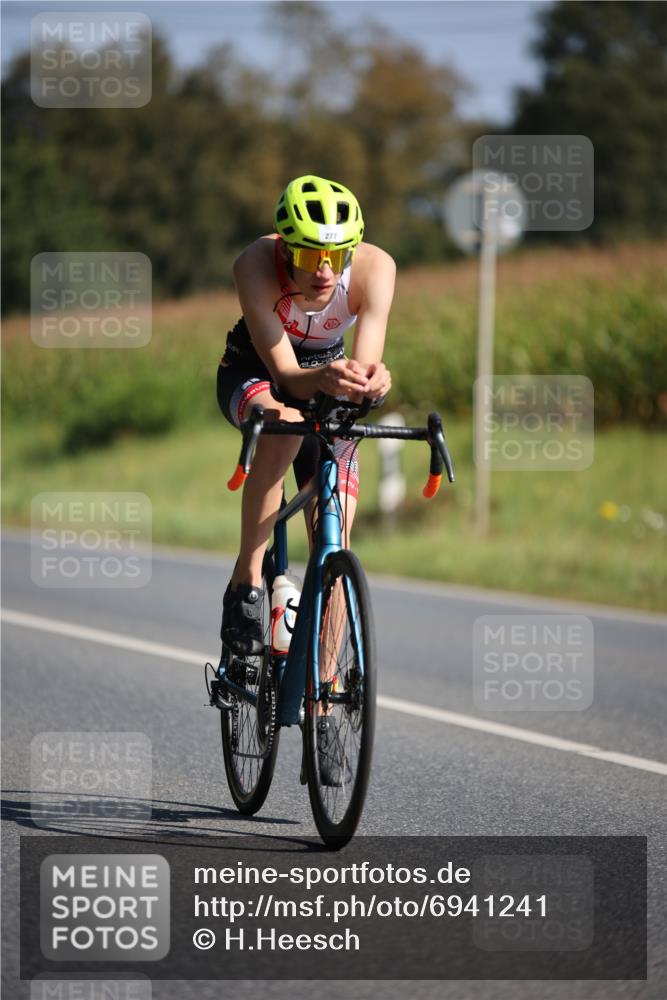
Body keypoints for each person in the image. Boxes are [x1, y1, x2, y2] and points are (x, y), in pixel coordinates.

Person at [216, 174, 395, 660]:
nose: (323, 271)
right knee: (283, 424)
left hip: (327, 379)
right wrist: (326, 381)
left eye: (336, 258)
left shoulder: (376, 268)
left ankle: (327, 679)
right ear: (285, 248)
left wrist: (373, 381)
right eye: (310, 256)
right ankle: (248, 584)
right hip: (258, 374)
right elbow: (288, 376)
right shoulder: (254, 264)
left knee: (334, 537)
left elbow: (364, 370)